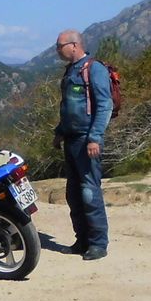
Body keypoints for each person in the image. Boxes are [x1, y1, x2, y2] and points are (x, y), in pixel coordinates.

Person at [54, 30, 114, 260]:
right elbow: (68, 106)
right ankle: (82, 240)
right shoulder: (71, 70)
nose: (57, 50)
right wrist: (59, 132)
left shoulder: (94, 69)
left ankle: (98, 244)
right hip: (71, 140)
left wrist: (95, 137)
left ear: (74, 45)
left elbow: (105, 105)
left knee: (89, 192)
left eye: (60, 46)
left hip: (86, 141)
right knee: (74, 194)